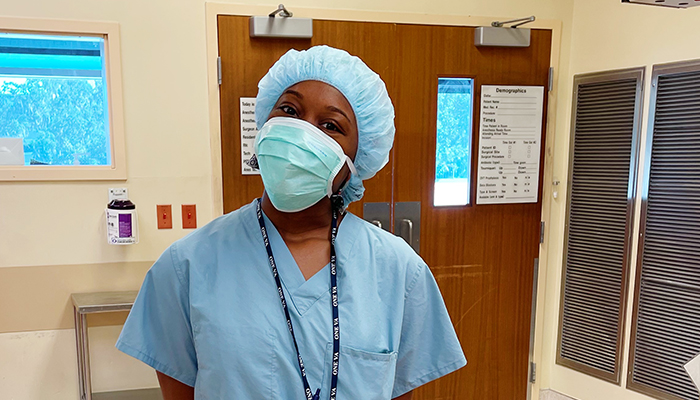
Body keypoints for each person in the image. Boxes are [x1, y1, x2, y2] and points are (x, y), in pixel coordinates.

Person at [116, 45, 466, 400]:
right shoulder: (186, 266)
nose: (302, 132)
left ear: (355, 162)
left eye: (331, 125)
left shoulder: (398, 272)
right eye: (289, 109)